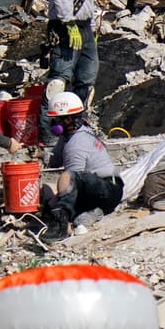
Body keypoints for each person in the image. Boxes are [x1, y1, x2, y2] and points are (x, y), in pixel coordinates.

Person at [39, 92, 122, 241]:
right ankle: (90, 210)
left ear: (68, 119)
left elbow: (72, 182)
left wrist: (55, 206)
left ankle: (61, 225)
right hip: (99, 185)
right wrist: (41, 156)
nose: (53, 123)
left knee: (66, 178)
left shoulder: (76, 144)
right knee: (47, 189)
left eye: (56, 119)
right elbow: (55, 161)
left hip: (109, 189)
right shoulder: (70, 136)